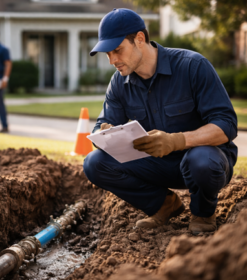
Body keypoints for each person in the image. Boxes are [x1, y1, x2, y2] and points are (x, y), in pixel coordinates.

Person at [83, 9, 238, 234]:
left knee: (202, 161)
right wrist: (104, 133)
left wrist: (177, 141)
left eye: (117, 50)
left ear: (139, 39)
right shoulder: (119, 82)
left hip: (204, 162)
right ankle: (164, 205)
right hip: (157, 165)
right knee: (94, 163)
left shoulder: (193, 66)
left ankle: (203, 214)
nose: (112, 60)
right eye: (107, 54)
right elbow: (103, 123)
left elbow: (226, 124)